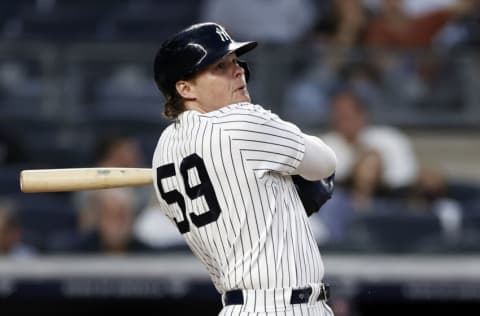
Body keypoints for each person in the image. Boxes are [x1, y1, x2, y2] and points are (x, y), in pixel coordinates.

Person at [151, 22, 337, 315]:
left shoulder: (163, 150)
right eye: (219, 67)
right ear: (185, 88)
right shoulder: (238, 121)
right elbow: (326, 163)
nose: (237, 71)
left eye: (235, 62)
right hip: (282, 307)